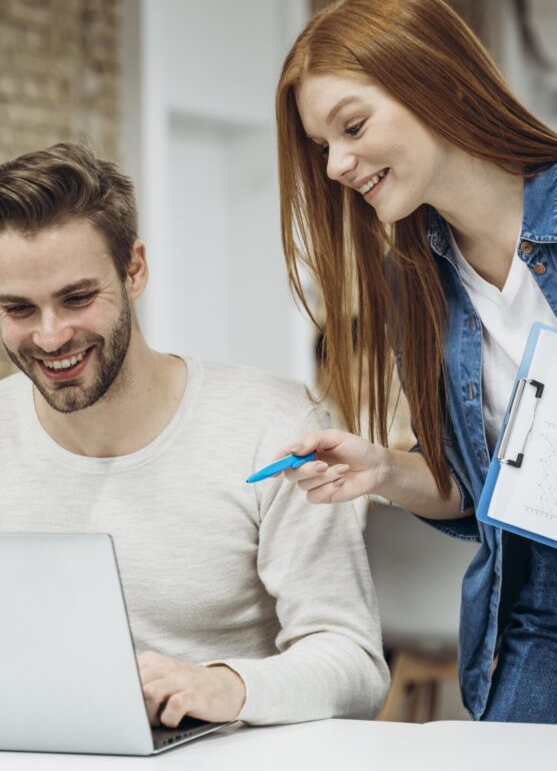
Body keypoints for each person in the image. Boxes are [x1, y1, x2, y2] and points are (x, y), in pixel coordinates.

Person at [273, 0, 557, 725]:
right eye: (324, 146)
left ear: (435, 84)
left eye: (353, 127)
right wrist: (384, 470)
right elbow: (474, 493)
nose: (334, 165)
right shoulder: (414, 278)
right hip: (547, 618)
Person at [0, 142, 389, 728]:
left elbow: (357, 666)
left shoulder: (275, 426)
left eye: (77, 298)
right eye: (18, 309)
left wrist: (225, 685)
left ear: (135, 270)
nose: (51, 337)